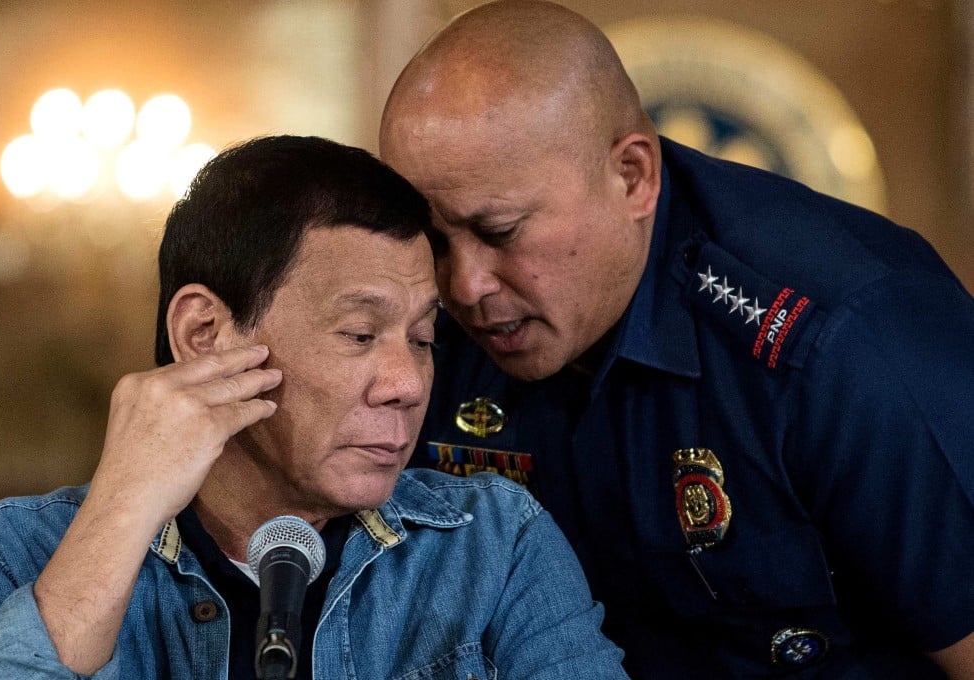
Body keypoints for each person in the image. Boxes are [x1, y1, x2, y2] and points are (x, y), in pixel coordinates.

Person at [379, 2, 974, 678]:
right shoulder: (414, 324)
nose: (465, 286)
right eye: (431, 240)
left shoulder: (845, 340)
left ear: (632, 175)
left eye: (501, 231)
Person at [0, 135, 629, 679]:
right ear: (204, 335)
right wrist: (123, 508)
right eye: (360, 334)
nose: (409, 383)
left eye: (424, 339)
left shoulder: (491, 544)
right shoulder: (8, 555)